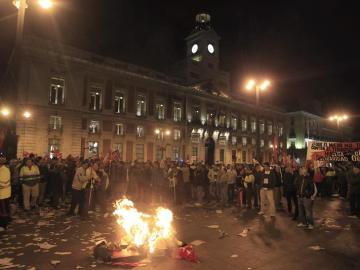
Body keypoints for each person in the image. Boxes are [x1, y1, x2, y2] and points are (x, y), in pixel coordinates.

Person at [0, 154, 11, 231]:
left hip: (3, 194)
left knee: (3, 210)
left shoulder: (5, 170)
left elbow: (4, 183)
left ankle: (3, 225)